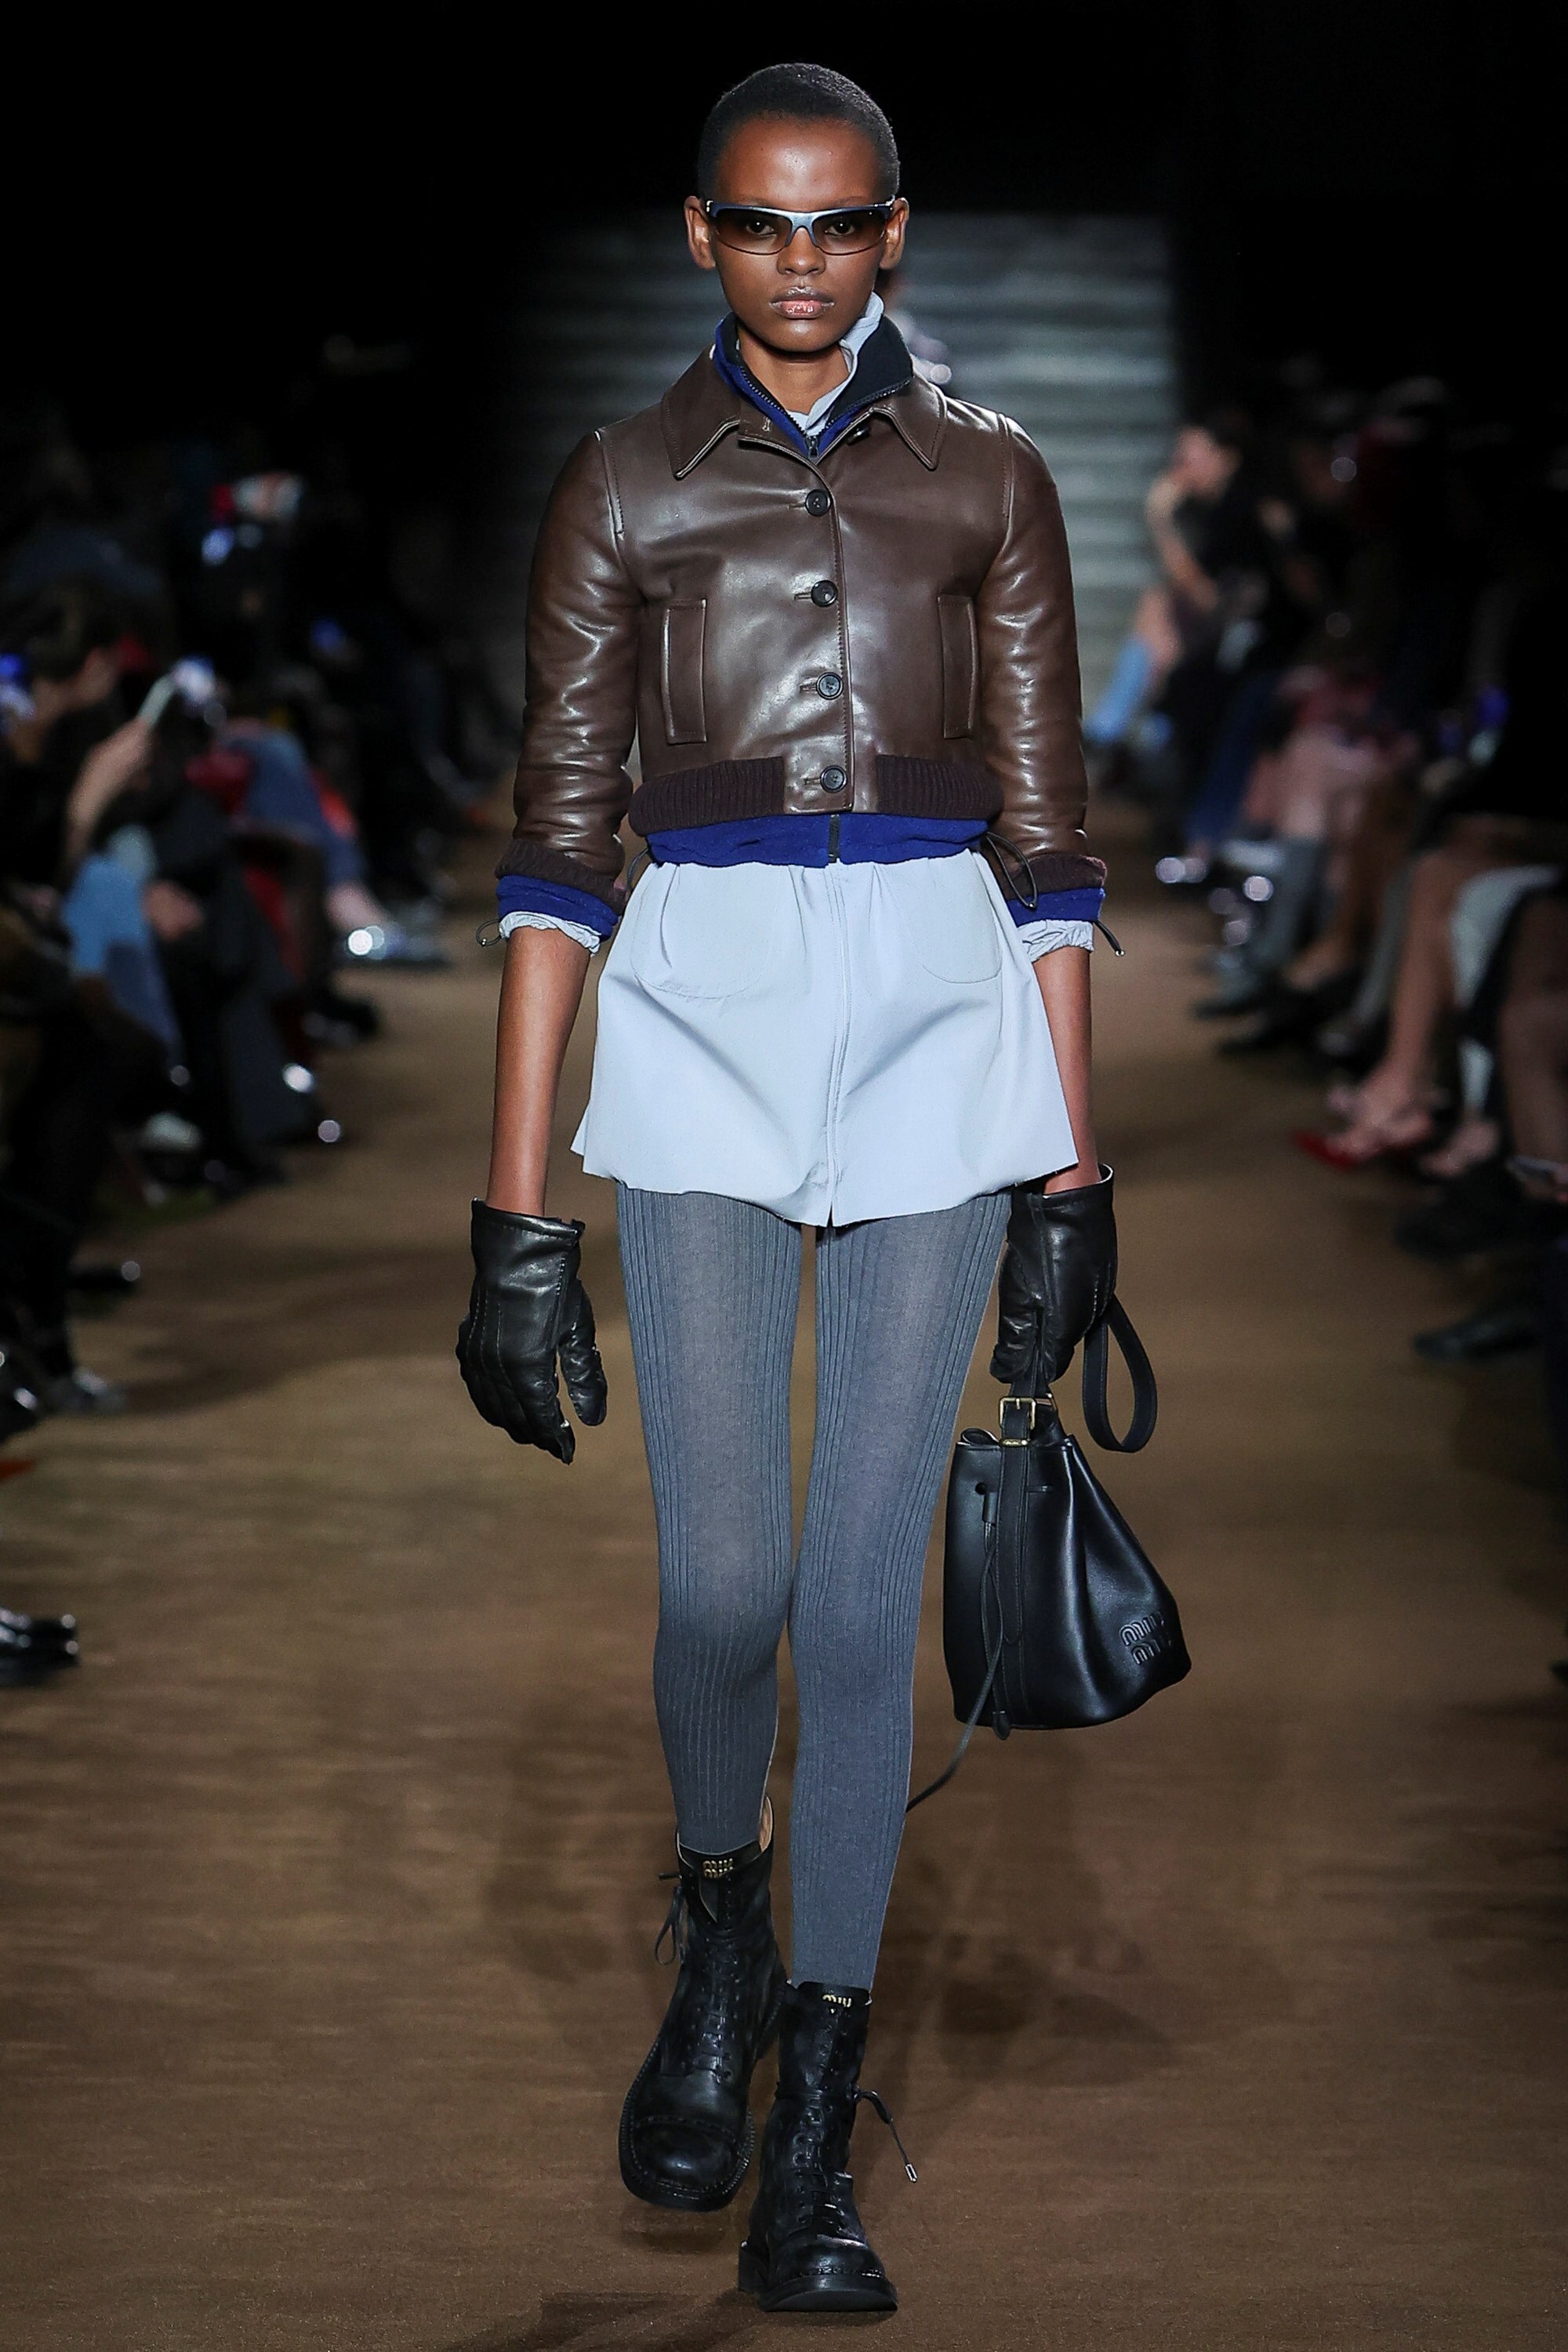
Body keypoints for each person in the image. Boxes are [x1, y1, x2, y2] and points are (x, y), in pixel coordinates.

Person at [457, 64, 1113, 2316]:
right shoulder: (624, 481)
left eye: (840, 225)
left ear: (894, 231)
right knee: (723, 1583)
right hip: (708, 1033)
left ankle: (813, 2128)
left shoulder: (994, 477)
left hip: (941, 1033)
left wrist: (1072, 1178)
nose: (804, 260)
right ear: (703, 234)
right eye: (764, 224)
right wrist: (515, 1215)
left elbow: (1051, 853)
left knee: (853, 1607)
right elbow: (556, 851)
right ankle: (720, 1933)